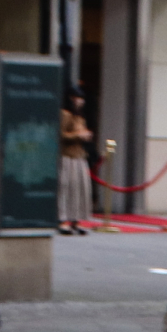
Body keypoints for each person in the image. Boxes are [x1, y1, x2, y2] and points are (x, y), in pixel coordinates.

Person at [59, 88, 95, 236]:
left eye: (82, 98)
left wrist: (86, 136)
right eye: (77, 98)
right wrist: (78, 135)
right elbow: (61, 134)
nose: (80, 101)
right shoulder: (65, 114)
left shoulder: (80, 117)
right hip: (67, 156)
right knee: (67, 188)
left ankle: (76, 220)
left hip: (79, 156)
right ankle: (63, 220)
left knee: (80, 189)